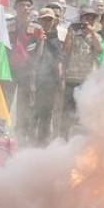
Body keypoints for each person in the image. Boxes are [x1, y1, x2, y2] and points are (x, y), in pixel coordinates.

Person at [62, 7, 102, 139]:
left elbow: (99, 49)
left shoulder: (95, 36)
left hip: (87, 80)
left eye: (91, 18)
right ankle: (64, 139)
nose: (88, 21)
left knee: (83, 113)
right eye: (86, 18)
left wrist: (92, 33)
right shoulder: (74, 33)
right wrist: (69, 33)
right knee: (68, 112)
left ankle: (79, 140)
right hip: (72, 79)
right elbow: (66, 50)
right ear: (81, 19)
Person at [6, 0, 38, 140]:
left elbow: (39, 51)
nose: (24, 8)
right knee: (6, 100)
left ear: (31, 8)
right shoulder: (7, 24)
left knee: (24, 104)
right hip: (9, 69)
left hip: (28, 71)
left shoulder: (36, 27)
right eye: (21, 6)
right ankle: (2, 132)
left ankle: (21, 134)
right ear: (15, 8)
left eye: (27, 6)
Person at [31, 8, 63, 146]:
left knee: (47, 112)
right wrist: (40, 40)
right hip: (36, 79)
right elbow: (35, 58)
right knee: (34, 111)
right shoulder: (34, 34)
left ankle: (42, 141)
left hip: (51, 81)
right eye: (44, 19)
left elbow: (59, 60)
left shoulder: (57, 36)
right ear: (39, 20)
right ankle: (29, 139)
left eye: (50, 19)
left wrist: (61, 80)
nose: (47, 22)